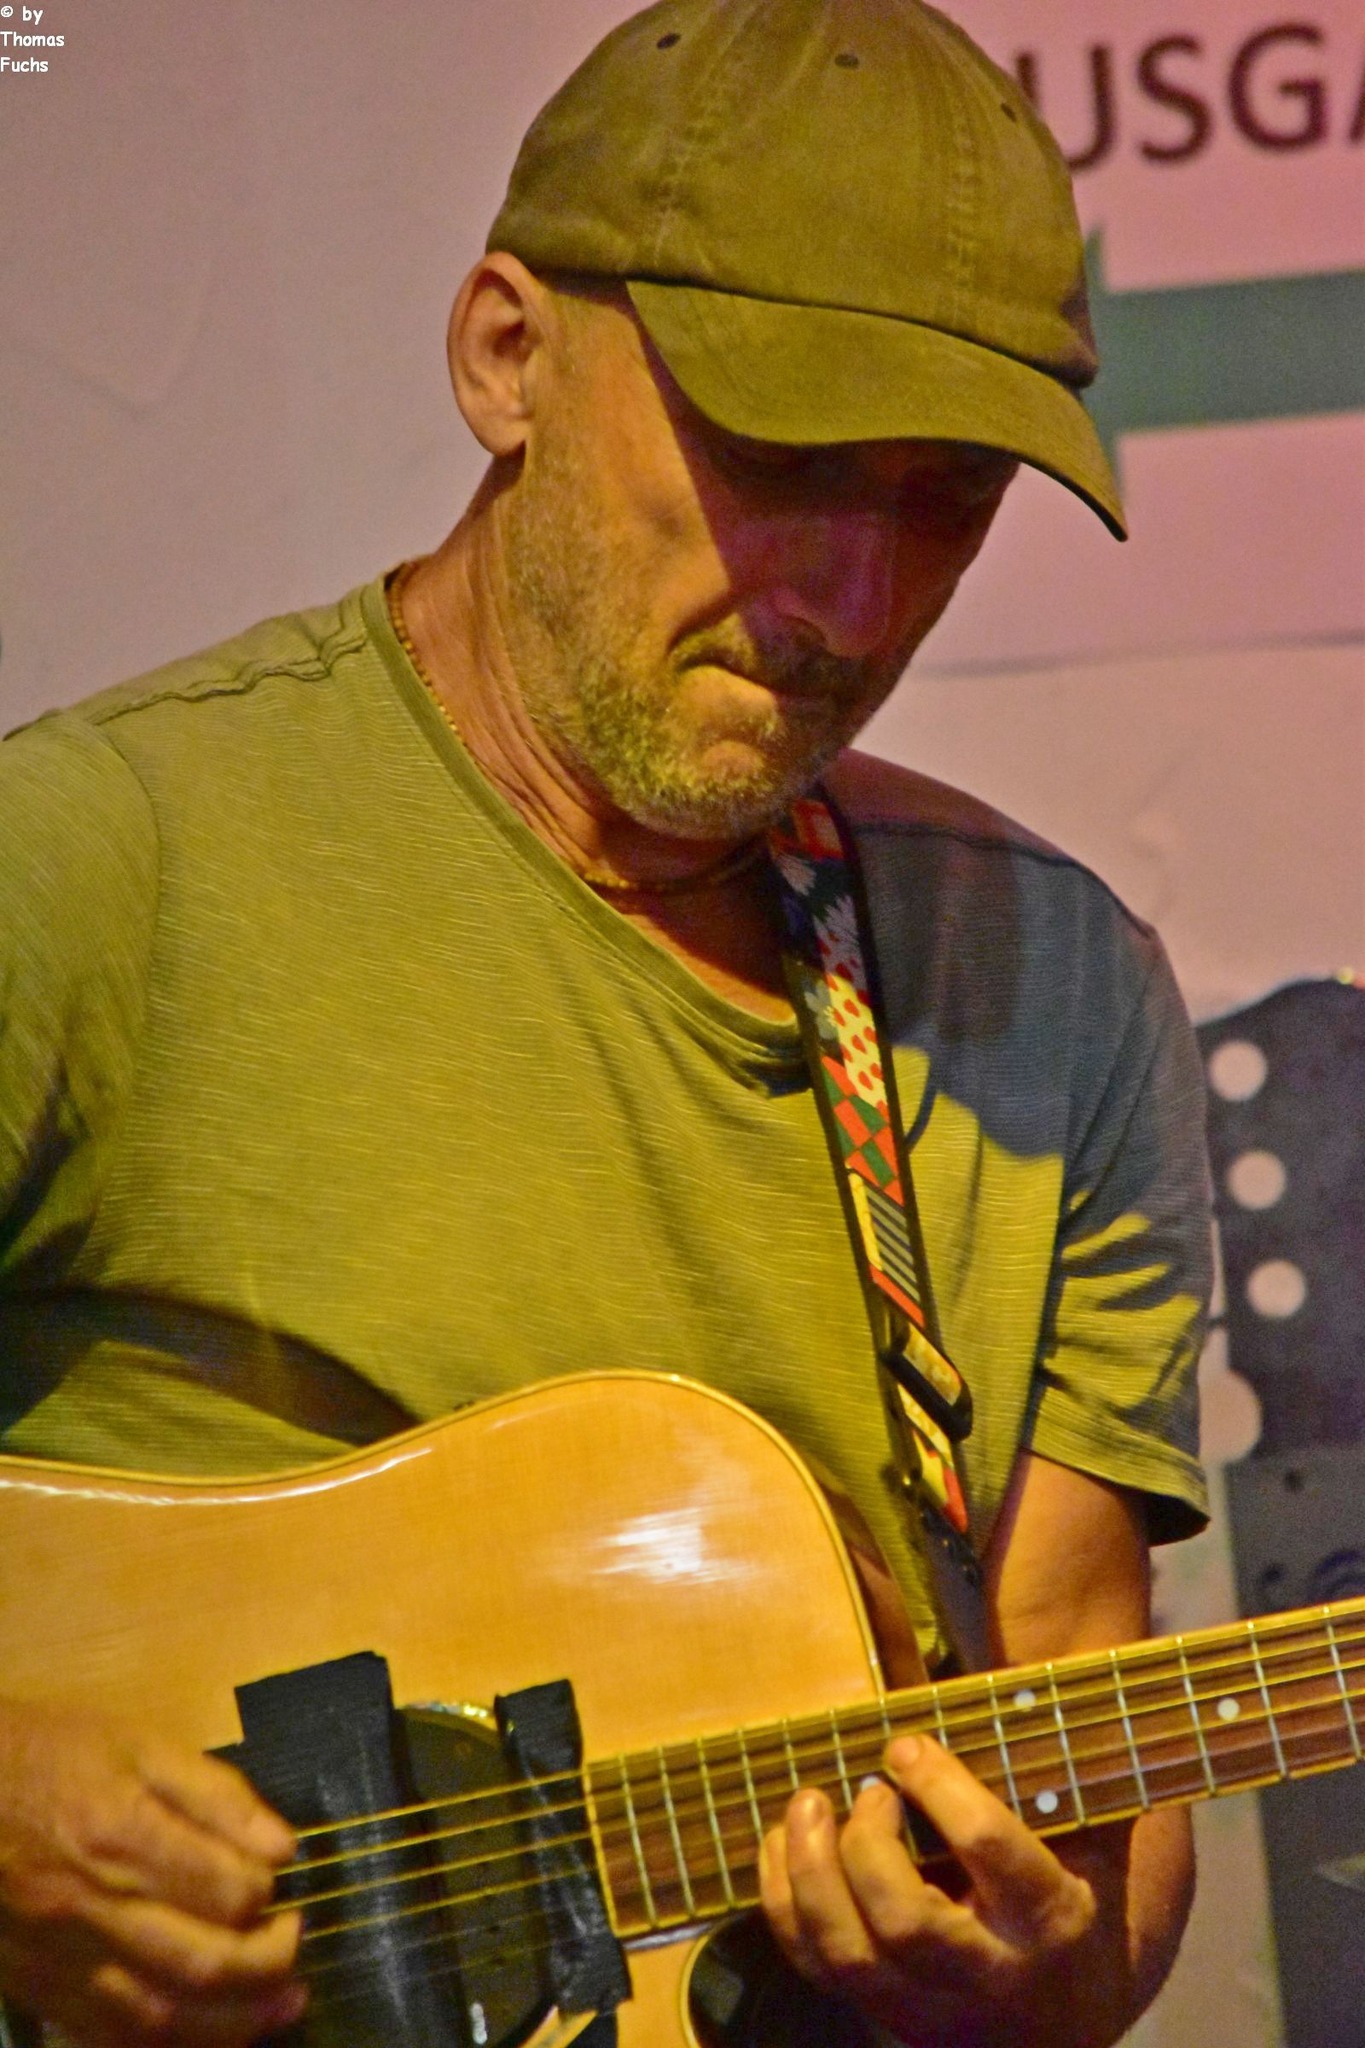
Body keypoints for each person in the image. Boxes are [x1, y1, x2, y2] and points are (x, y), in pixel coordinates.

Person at [0, 1, 1213, 2042]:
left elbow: (1085, 1785)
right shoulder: (92, 863)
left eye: (943, 498)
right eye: (776, 458)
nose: (847, 600)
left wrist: (1024, 1974)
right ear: (506, 355)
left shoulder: (1054, 988)